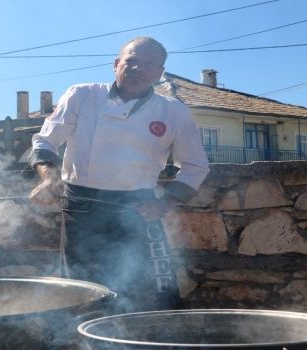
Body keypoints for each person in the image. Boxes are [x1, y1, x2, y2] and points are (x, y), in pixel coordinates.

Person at [28, 36, 209, 312]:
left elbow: (196, 166)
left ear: (159, 74)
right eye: (132, 61)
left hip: (138, 211)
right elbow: (45, 141)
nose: (138, 68)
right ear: (116, 64)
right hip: (80, 209)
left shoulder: (173, 112)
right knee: (82, 294)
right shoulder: (83, 95)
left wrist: (164, 203)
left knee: (154, 294)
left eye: (149, 64)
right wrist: (50, 179)